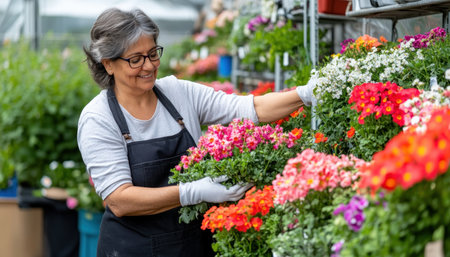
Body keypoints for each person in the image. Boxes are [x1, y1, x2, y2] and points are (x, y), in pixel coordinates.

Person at [78, 7, 314, 257]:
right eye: (135, 59)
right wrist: (194, 191)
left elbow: (250, 108)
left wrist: (304, 94)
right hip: (134, 249)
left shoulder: (178, 93)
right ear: (108, 64)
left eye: (152, 53)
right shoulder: (99, 118)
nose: (148, 66)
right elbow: (120, 200)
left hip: (192, 244)